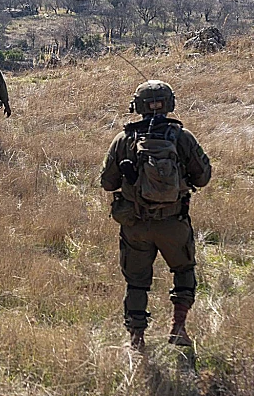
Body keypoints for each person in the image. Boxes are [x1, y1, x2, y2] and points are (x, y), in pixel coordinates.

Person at [100, 80, 211, 351]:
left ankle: (137, 342)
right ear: (169, 103)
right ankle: (178, 327)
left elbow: (107, 183)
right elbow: (203, 177)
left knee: (136, 283)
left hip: (136, 224)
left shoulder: (124, 139)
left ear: (137, 106)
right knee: (184, 270)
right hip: (174, 222)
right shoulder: (182, 137)